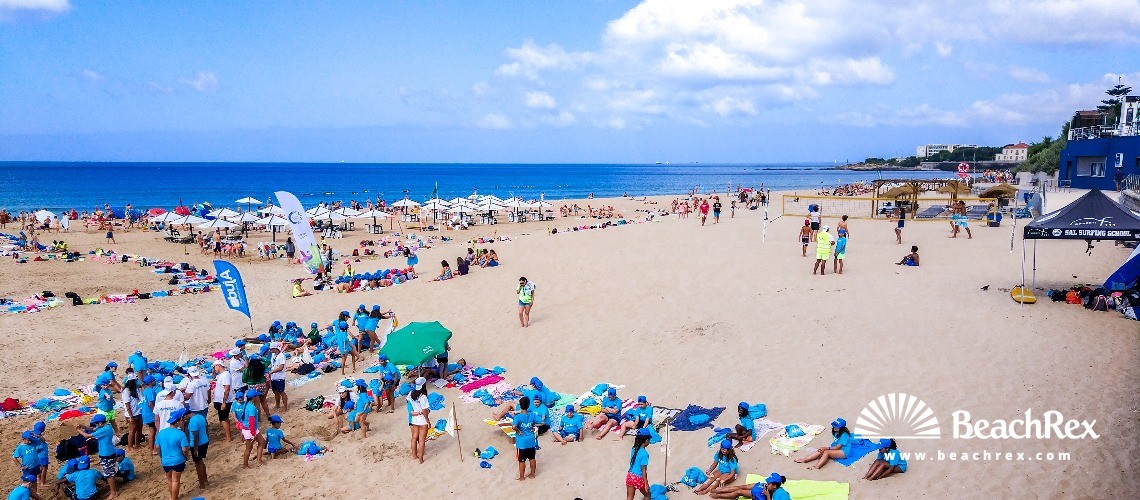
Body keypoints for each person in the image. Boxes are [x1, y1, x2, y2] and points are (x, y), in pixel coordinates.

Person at [73, 414, 118, 499]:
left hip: (106, 454)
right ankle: (113, 489)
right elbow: (93, 429)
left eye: (96, 423)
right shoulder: (106, 426)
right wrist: (83, 426)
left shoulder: (104, 430)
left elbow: (87, 436)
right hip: (109, 452)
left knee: (108, 474)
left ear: (100, 423)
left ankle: (113, 492)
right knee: (110, 472)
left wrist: (78, 430)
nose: (95, 425)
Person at [156, 409, 190, 500]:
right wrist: (187, 457)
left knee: (170, 480)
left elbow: (157, 447)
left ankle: (172, 497)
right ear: (178, 421)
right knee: (176, 480)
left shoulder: (161, 433)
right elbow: (185, 449)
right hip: (178, 460)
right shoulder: (180, 434)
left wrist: (161, 457)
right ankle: (174, 498)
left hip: (165, 461)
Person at [512, 396, 538, 481]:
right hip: (530, 439)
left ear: (520, 405)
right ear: (528, 405)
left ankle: (522, 477)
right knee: (532, 458)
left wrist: (518, 431)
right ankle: (532, 474)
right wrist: (533, 426)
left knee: (521, 460)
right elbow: (541, 422)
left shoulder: (518, 417)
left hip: (522, 442)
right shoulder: (532, 415)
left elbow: (514, 427)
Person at [239, 389, 266, 468]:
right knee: (249, 448)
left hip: (248, 429)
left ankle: (258, 461)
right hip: (251, 430)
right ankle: (245, 464)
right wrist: (253, 432)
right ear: (254, 397)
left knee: (261, 442)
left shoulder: (246, 405)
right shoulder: (252, 408)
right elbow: (251, 420)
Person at [407, 377, 431, 464]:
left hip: (414, 419)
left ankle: (414, 455)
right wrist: (428, 420)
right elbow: (425, 410)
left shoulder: (411, 393)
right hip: (422, 420)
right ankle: (421, 459)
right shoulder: (423, 396)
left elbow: (408, 401)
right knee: (421, 440)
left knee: (414, 438)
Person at [186, 407, 209, 489]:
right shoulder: (200, 417)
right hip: (205, 441)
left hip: (197, 445)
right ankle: (205, 480)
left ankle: (202, 484)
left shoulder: (192, 422)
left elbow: (196, 435)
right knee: (201, 461)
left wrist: (195, 449)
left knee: (198, 465)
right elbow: (206, 427)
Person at [625, 428, 652, 500]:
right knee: (647, 495)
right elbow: (643, 471)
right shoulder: (645, 454)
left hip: (630, 476)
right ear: (646, 440)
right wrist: (646, 484)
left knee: (629, 497)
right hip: (638, 478)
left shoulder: (633, 449)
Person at [211, 363, 233, 442]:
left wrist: (224, 402)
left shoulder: (225, 375)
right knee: (225, 417)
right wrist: (214, 371)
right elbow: (213, 378)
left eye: (215, 367)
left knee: (223, 419)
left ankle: (228, 437)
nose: (214, 369)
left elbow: (227, 389)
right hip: (220, 400)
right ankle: (228, 435)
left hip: (223, 401)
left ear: (219, 366)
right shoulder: (221, 375)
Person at [120, 378, 142, 450]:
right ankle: (130, 446)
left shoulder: (136, 389)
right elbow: (127, 405)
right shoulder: (126, 391)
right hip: (132, 413)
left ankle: (137, 444)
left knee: (139, 428)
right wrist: (131, 416)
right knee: (132, 430)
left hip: (138, 411)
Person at [268, 344, 289, 411]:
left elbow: (281, 367)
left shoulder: (282, 356)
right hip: (274, 377)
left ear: (275, 349)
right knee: (275, 392)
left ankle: (285, 407)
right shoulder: (273, 355)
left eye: (271, 349)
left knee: (282, 392)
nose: (270, 350)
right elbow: (272, 364)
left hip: (280, 377)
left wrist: (272, 371)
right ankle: (277, 405)